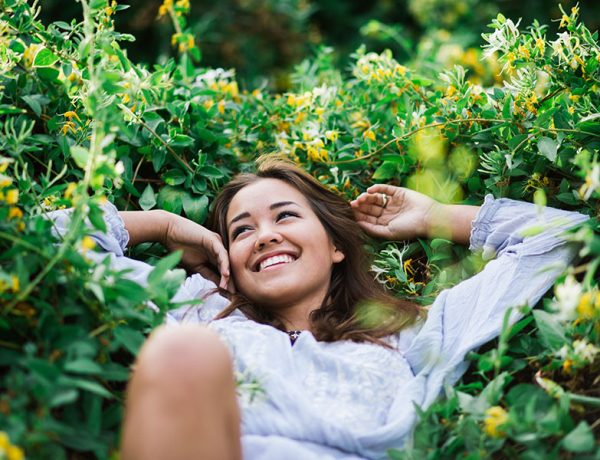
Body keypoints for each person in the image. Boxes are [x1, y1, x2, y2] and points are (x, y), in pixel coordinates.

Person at [49, 157, 587, 460]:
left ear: (335, 245)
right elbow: (45, 245)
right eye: (241, 230)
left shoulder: (410, 334)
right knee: (183, 353)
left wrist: (435, 216)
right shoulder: (199, 313)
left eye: (285, 217)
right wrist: (164, 224)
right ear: (226, 259)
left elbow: (568, 238)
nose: (264, 236)